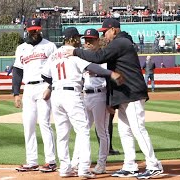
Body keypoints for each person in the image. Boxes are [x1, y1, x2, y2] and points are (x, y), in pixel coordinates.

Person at [65, 18, 163, 179]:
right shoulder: (119, 43)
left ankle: (154, 165)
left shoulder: (121, 42)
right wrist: (112, 101)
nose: (105, 36)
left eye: (106, 32)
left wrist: (75, 52)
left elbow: (99, 57)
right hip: (124, 94)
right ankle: (130, 165)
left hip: (132, 93)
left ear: (114, 30)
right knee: (124, 131)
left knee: (138, 129)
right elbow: (110, 75)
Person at [41, 27, 123, 179]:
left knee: (62, 133)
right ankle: (83, 168)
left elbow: (45, 75)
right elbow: (91, 67)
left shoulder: (54, 54)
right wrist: (111, 73)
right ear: (72, 39)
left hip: (57, 93)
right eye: (78, 38)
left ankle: (65, 168)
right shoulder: (74, 53)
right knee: (83, 131)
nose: (80, 41)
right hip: (72, 93)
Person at [12, 18, 57, 173]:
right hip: (28, 89)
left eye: (37, 30)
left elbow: (56, 70)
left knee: (44, 123)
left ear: (40, 29)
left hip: (44, 86)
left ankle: (50, 161)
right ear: (27, 30)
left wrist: (50, 87)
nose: (34, 32)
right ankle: (31, 161)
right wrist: (16, 93)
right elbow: (17, 71)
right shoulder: (21, 48)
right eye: (32, 30)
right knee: (28, 125)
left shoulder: (50, 46)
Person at [70, 28, 110, 175]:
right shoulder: (81, 57)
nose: (87, 43)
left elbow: (109, 79)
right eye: (85, 40)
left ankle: (101, 163)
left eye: (91, 40)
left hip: (100, 95)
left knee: (102, 131)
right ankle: (76, 162)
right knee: (82, 130)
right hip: (85, 96)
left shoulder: (105, 56)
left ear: (97, 41)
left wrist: (110, 102)